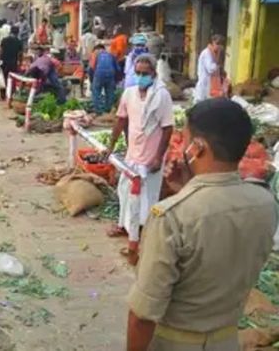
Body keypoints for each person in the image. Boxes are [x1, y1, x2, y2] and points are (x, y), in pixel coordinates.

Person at [126, 98, 277, 351]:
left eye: (185, 141)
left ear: (197, 147)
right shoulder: (265, 202)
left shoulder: (171, 217)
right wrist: (188, 187)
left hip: (174, 342)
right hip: (227, 339)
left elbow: (143, 314)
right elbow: (219, 223)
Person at [107, 54, 173, 265]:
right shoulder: (129, 93)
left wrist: (157, 157)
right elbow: (121, 120)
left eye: (146, 73)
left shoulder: (162, 96)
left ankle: (140, 235)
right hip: (132, 153)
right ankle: (123, 226)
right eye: (139, 73)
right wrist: (112, 145)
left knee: (147, 196)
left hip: (151, 155)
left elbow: (167, 128)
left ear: (154, 73)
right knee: (124, 189)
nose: (142, 77)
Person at [194, 35, 224, 104]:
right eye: (217, 44)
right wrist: (219, 61)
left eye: (220, 44)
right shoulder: (207, 53)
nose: (219, 46)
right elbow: (210, 69)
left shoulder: (214, 54)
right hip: (205, 85)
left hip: (210, 85)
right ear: (212, 43)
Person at [91, 44, 119, 115]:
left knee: (96, 91)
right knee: (110, 92)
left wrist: (92, 79)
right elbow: (117, 68)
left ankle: (98, 111)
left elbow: (91, 67)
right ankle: (108, 109)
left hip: (99, 73)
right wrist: (116, 79)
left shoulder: (95, 54)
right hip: (111, 73)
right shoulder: (110, 54)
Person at [0, 26, 23, 100]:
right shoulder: (19, 42)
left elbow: (0, 51)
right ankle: (10, 94)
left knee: (4, 77)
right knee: (12, 79)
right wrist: (20, 62)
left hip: (4, 62)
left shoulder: (4, 40)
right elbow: (20, 54)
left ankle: (3, 94)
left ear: (10, 31)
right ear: (17, 33)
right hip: (13, 62)